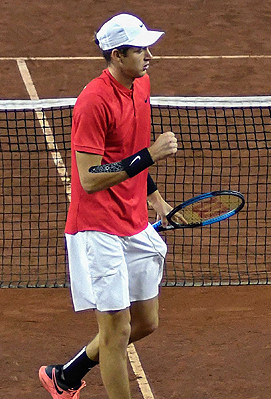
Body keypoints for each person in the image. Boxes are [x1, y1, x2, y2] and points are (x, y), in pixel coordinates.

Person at [39, 14, 179, 399]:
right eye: (140, 50)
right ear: (117, 55)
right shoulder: (93, 102)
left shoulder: (142, 84)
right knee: (115, 332)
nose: (149, 56)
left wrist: (155, 198)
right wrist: (148, 157)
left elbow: (129, 148)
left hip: (133, 221)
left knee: (145, 322)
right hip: (97, 228)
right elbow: (89, 177)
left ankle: (66, 375)